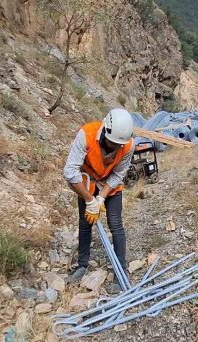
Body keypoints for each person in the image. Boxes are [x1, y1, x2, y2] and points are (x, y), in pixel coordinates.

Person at [62, 108, 135, 294]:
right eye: (112, 144)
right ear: (105, 131)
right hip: (86, 183)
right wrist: (89, 200)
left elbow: (119, 174)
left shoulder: (127, 145)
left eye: (118, 145)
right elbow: (70, 172)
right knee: (85, 222)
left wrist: (102, 197)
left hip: (110, 185)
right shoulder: (86, 134)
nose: (115, 148)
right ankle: (82, 265)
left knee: (116, 224)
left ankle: (121, 270)